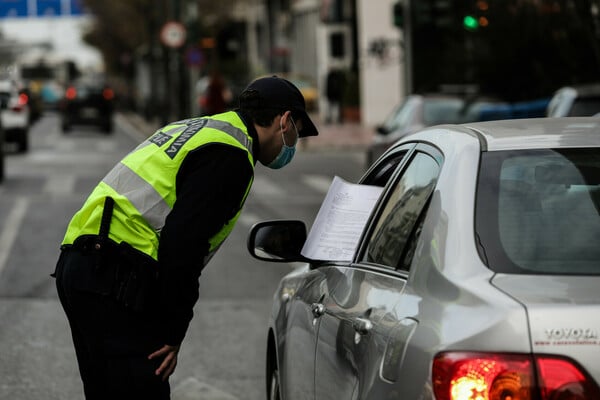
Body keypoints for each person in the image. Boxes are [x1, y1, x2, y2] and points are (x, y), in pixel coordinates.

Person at [52, 76, 318, 400]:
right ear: (285, 121)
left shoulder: (201, 128)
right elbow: (182, 247)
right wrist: (173, 330)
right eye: (297, 134)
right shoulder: (232, 156)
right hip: (114, 274)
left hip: (81, 263)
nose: (293, 144)